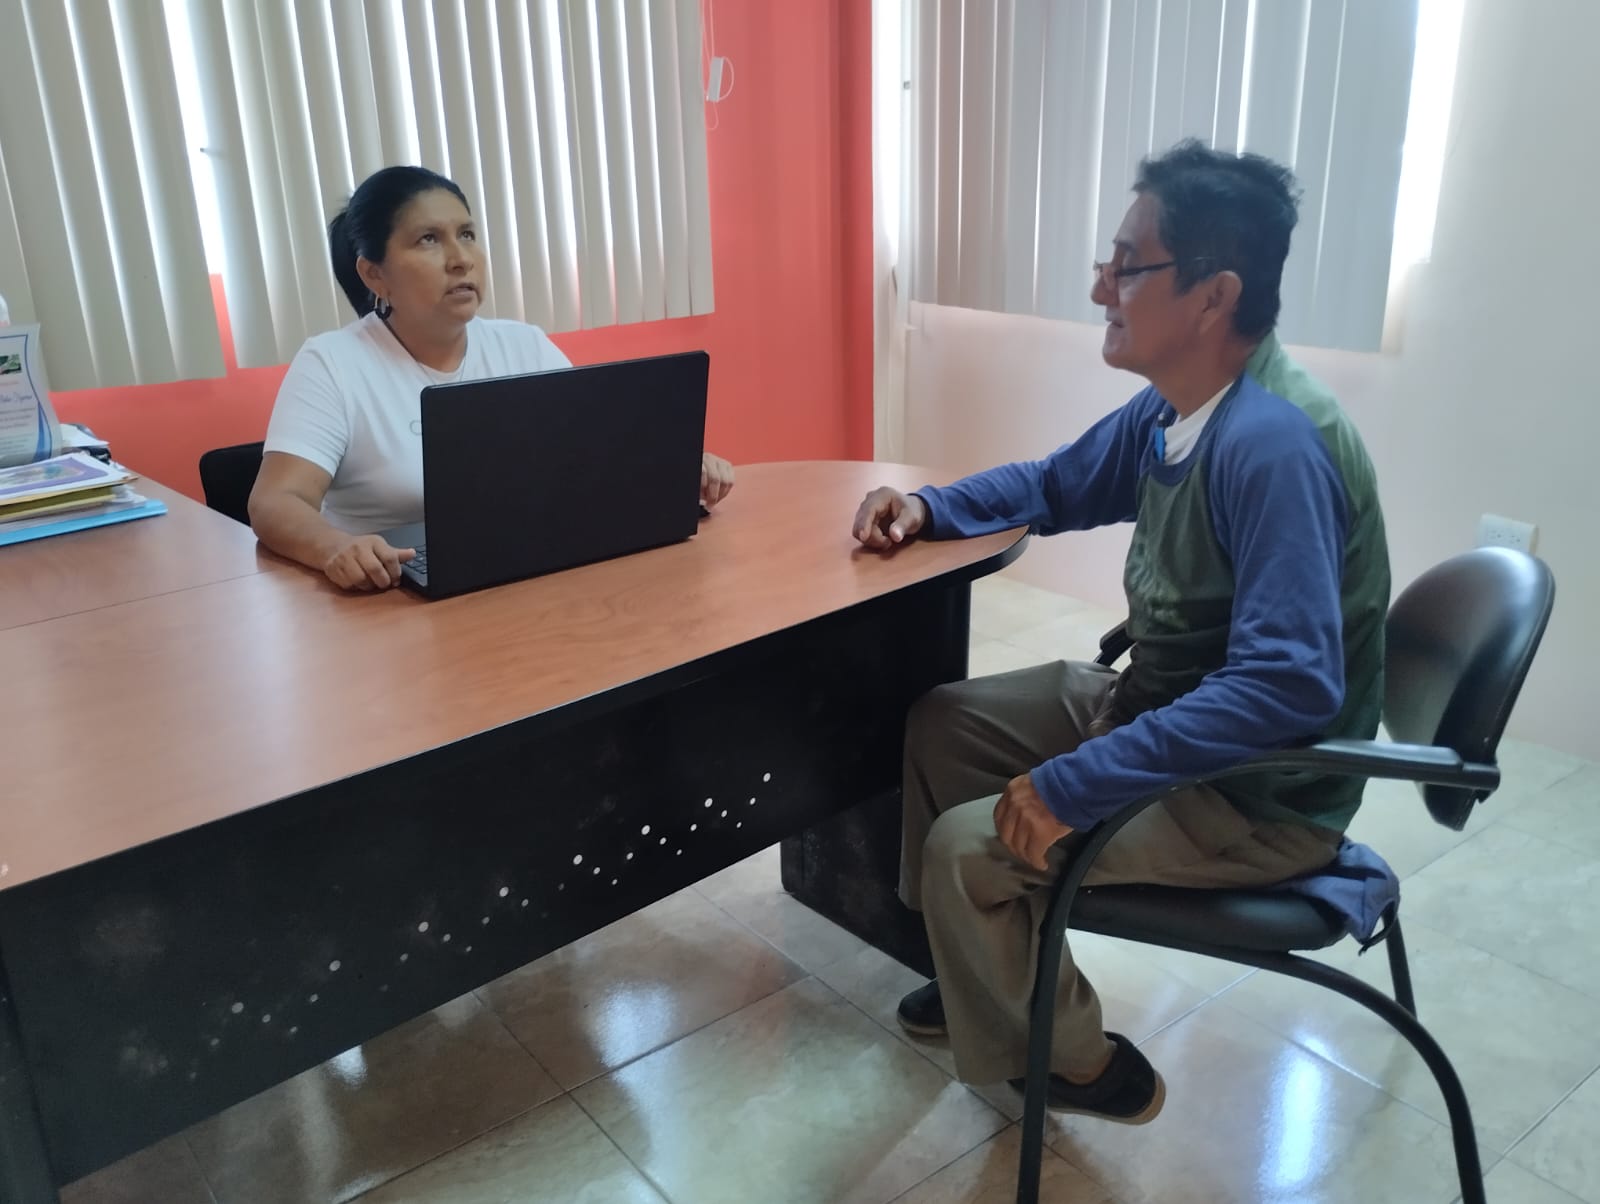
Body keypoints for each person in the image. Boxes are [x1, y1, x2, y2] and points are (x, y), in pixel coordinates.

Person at [851, 140, 1390, 1123]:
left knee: (969, 849)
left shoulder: (1272, 443)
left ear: (1212, 296)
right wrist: (929, 506)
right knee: (942, 722)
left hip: (1255, 794)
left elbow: (1287, 687)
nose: (1100, 285)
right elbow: (1054, 484)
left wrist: (1076, 782)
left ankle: (1081, 1063)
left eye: (1127, 265)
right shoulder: (1176, 409)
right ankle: (979, 974)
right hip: (1166, 709)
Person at [249, 165, 736, 590]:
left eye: (466, 234)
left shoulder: (523, 345)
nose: (460, 258)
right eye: (428, 239)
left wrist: (676, 469)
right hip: (391, 596)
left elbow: (599, 458)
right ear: (374, 275)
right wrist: (336, 548)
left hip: (521, 572)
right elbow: (275, 501)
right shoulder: (332, 363)